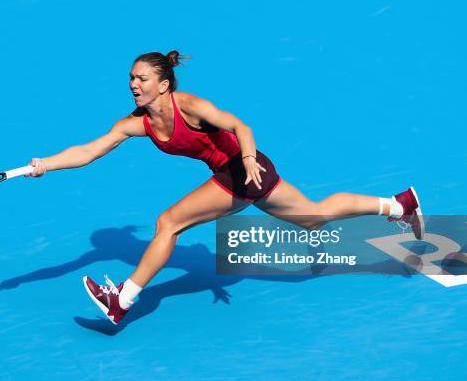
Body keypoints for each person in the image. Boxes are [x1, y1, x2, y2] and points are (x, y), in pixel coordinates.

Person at [27, 51, 424, 325]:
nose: (133, 84)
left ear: (164, 84)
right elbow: (90, 150)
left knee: (169, 223)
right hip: (245, 176)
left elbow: (240, 127)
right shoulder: (136, 123)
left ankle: (123, 300)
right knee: (314, 217)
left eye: (142, 78)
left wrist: (249, 160)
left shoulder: (191, 106)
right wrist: (46, 164)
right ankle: (397, 205)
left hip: (244, 170)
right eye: (131, 77)